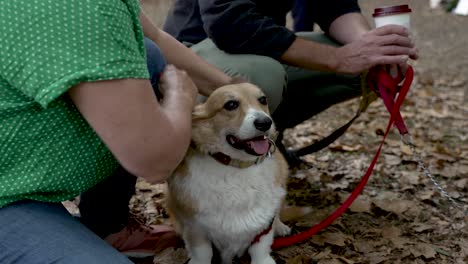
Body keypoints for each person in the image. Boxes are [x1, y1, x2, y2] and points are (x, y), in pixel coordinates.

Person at [0, 0, 234, 263]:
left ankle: (106, 225)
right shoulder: (84, 9)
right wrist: (180, 96)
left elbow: (155, 36)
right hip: (7, 196)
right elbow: (156, 162)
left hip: (16, 170)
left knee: (146, 53)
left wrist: (234, 89)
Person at [163, 0, 419, 133]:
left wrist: (372, 48)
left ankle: (263, 140)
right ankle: (211, 153)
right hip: (191, 53)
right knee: (262, 76)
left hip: (254, 47)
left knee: (370, 69)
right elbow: (229, 24)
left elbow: (334, 6)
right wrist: (339, 59)